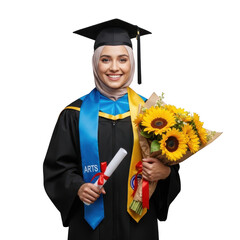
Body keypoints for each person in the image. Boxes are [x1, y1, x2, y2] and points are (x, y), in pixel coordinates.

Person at [43, 19, 181, 240]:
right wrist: (77, 187)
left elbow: (170, 165)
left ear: (132, 63)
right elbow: (57, 169)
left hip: (139, 226)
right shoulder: (73, 114)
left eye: (122, 59)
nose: (114, 67)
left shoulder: (153, 115)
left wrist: (165, 173)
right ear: (95, 63)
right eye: (105, 59)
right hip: (90, 228)